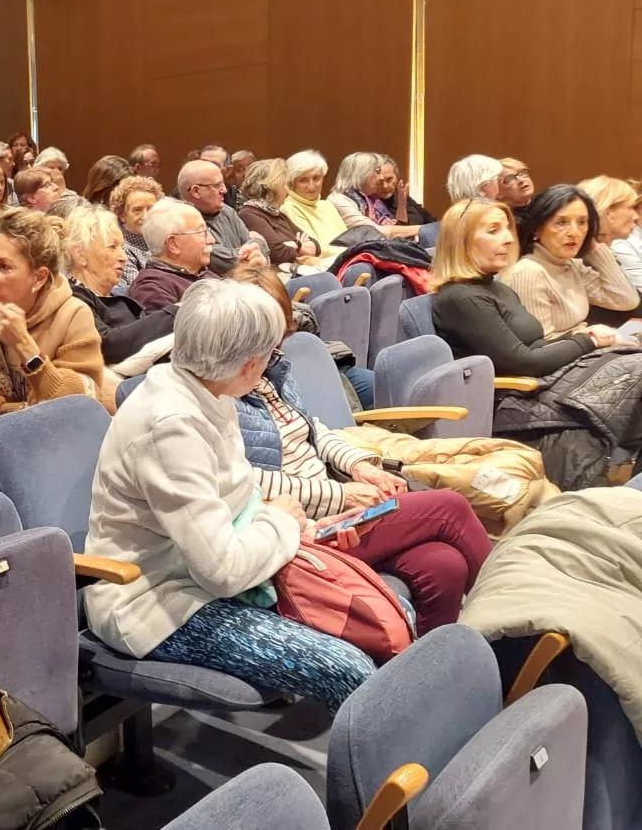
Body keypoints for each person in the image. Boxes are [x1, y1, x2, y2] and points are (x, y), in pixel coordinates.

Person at [83, 278, 375, 709]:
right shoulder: (171, 426)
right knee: (347, 669)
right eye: (271, 355)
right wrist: (284, 523)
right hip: (154, 604)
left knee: (373, 619)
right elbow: (223, 570)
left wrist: (303, 529)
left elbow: (239, 503)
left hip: (210, 575)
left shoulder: (209, 392)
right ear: (250, 365)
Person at [228, 264, 492, 634]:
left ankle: (430, 662)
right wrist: (342, 496)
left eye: (279, 332)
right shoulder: (222, 394)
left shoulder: (273, 371)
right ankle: (514, 631)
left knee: (443, 565)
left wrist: (362, 466)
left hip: (331, 505)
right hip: (296, 531)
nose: (274, 346)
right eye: (264, 333)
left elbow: (315, 432)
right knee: (449, 507)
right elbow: (248, 484)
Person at [431, 197, 642, 488]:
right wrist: (587, 342)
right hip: (513, 402)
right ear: (461, 241)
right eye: (493, 230)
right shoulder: (461, 297)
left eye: (507, 228)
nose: (508, 238)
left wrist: (585, 340)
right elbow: (522, 361)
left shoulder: (496, 288)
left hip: (539, 386)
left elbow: (537, 345)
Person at [0, 208, 107, 431]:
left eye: (3, 266)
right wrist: (19, 412)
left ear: (39, 277)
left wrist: (26, 348)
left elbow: (80, 405)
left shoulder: (73, 314)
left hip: (52, 441)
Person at [501, 184, 639, 337]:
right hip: (572, 351)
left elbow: (626, 300)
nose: (574, 232)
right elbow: (540, 344)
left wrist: (592, 246)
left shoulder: (571, 265)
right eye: (561, 223)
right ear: (536, 228)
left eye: (582, 222)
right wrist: (590, 337)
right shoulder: (528, 272)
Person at [61, 204, 176, 371]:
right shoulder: (73, 298)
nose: (123, 257)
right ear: (80, 254)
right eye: (112, 246)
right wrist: (174, 313)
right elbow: (105, 345)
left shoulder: (118, 296)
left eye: (122, 247)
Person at [126, 199, 219, 311]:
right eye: (201, 232)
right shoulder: (153, 290)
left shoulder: (201, 272)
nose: (212, 240)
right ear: (173, 244)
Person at [176, 159, 258, 274]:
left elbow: (259, 254)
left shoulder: (227, 211)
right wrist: (258, 241)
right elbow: (228, 265)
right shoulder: (183, 223)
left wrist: (256, 246)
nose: (224, 190)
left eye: (223, 183)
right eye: (217, 185)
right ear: (196, 191)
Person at [237, 158, 323, 265]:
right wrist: (299, 244)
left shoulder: (278, 214)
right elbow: (278, 254)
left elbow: (316, 246)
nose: (287, 190)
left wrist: (292, 245)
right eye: (284, 185)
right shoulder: (249, 214)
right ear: (272, 187)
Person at [324, 152, 419, 241]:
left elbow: (398, 229)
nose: (381, 177)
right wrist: (421, 229)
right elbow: (373, 232)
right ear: (361, 173)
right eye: (377, 171)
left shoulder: (372, 199)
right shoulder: (340, 200)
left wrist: (402, 202)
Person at [277, 150, 351, 258]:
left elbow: (348, 239)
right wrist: (353, 251)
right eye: (303, 180)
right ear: (291, 183)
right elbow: (314, 249)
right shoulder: (288, 208)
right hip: (322, 265)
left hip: (349, 258)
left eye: (316, 178)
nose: (311, 186)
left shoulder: (327, 205)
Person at [581, 174, 642, 294]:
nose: (636, 216)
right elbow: (628, 300)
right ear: (607, 211)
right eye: (631, 208)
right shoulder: (583, 261)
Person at [106, 176, 163, 286]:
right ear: (122, 214)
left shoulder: (164, 241)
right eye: (137, 210)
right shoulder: (121, 249)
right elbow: (141, 288)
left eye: (151, 209)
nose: (145, 216)